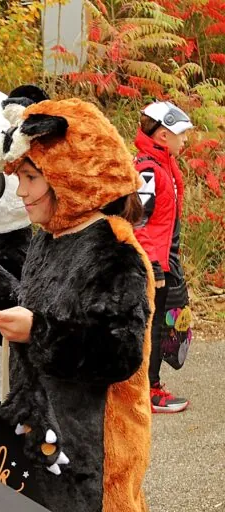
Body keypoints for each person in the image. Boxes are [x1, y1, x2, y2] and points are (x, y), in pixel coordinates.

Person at [0, 94, 153, 512]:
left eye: (31, 177)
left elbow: (119, 353)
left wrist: (39, 331)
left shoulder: (113, 249)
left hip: (92, 453)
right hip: (40, 434)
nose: (21, 192)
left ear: (70, 175)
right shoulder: (50, 238)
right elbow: (30, 308)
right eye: (19, 178)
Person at [133, 101, 193, 413]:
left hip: (166, 261)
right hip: (153, 264)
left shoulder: (163, 166)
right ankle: (149, 391)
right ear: (163, 135)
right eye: (181, 134)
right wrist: (153, 265)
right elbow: (139, 223)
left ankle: (148, 385)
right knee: (154, 327)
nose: (185, 140)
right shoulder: (147, 170)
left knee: (169, 323)